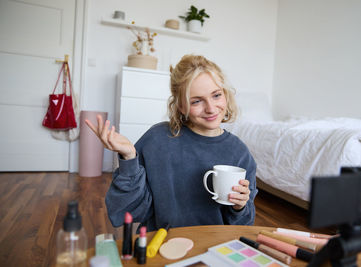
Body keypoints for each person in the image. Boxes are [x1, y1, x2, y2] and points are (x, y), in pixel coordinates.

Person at [85, 55, 258, 232]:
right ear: (181, 106)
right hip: (161, 242)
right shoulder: (157, 140)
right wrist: (129, 157)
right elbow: (128, 209)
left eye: (216, 95)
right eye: (197, 101)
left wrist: (240, 207)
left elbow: (243, 227)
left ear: (226, 95)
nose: (211, 108)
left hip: (214, 244)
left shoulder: (240, 153)